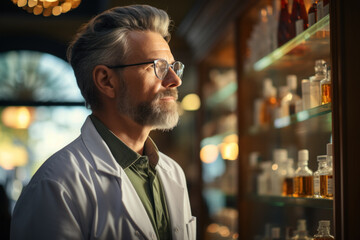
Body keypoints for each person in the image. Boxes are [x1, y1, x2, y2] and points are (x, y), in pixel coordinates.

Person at [10, 5, 195, 240]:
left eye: (173, 66)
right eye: (157, 66)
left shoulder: (173, 173)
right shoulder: (56, 186)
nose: (175, 80)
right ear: (106, 80)